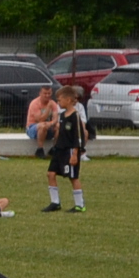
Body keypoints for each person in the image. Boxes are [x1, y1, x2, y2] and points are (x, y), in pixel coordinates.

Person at [44, 85, 87, 213]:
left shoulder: (75, 116)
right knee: (50, 174)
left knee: (73, 177)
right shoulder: (62, 115)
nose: (58, 102)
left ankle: (80, 205)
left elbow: (78, 136)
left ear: (68, 100)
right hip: (59, 150)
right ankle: (55, 202)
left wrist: (75, 153)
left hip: (70, 151)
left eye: (60, 100)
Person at [25, 86, 57, 157]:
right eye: (45, 93)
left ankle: (54, 148)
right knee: (42, 126)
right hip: (33, 127)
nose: (47, 95)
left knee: (58, 126)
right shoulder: (35, 103)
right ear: (40, 93)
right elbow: (40, 119)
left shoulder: (53, 103)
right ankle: (40, 149)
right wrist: (48, 108)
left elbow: (55, 119)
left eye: (49, 93)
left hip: (48, 126)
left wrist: (50, 123)